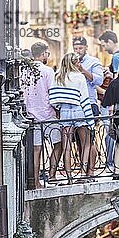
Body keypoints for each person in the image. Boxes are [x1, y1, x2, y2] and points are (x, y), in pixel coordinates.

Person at [49, 53, 94, 184]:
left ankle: (69, 178)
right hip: (79, 111)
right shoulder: (79, 77)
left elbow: (53, 98)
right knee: (85, 144)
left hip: (65, 113)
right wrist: (90, 120)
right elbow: (84, 98)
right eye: (78, 62)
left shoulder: (58, 76)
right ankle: (83, 174)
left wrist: (60, 107)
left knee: (66, 147)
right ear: (75, 63)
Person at [23, 42, 62, 188]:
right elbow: (53, 94)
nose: (47, 56)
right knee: (59, 144)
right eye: (47, 53)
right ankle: (51, 175)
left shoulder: (24, 70)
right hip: (47, 114)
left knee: (36, 149)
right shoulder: (47, 71)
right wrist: (57, 109)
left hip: (31, 115)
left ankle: (35, 182)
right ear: (43, 54)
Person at [72, 37, 104, 179]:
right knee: (79, 141)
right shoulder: (70, 61)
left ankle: (91, 171)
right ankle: (83, 168)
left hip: (89, 103)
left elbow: (99, 80)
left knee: (89, 140)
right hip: (75, 104)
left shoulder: (94, 62)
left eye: (80, 48)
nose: (78, 51)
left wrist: (82, 70)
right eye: (75, 48)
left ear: (86, 48)